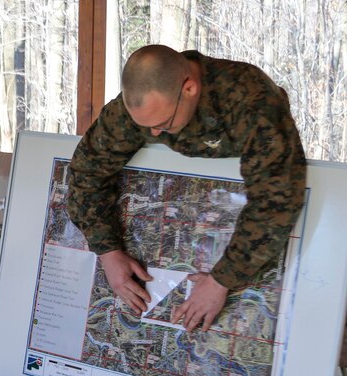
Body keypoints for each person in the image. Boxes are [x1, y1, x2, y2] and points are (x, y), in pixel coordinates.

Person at [67, 44, 306, 333]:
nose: (154, 133)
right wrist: (107, 251)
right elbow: (86, 173)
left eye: (163, 124)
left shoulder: (251, 100)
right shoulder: (144, 106)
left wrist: (221, 281)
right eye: (146, 127)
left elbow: (275, 202)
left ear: (190, 88)